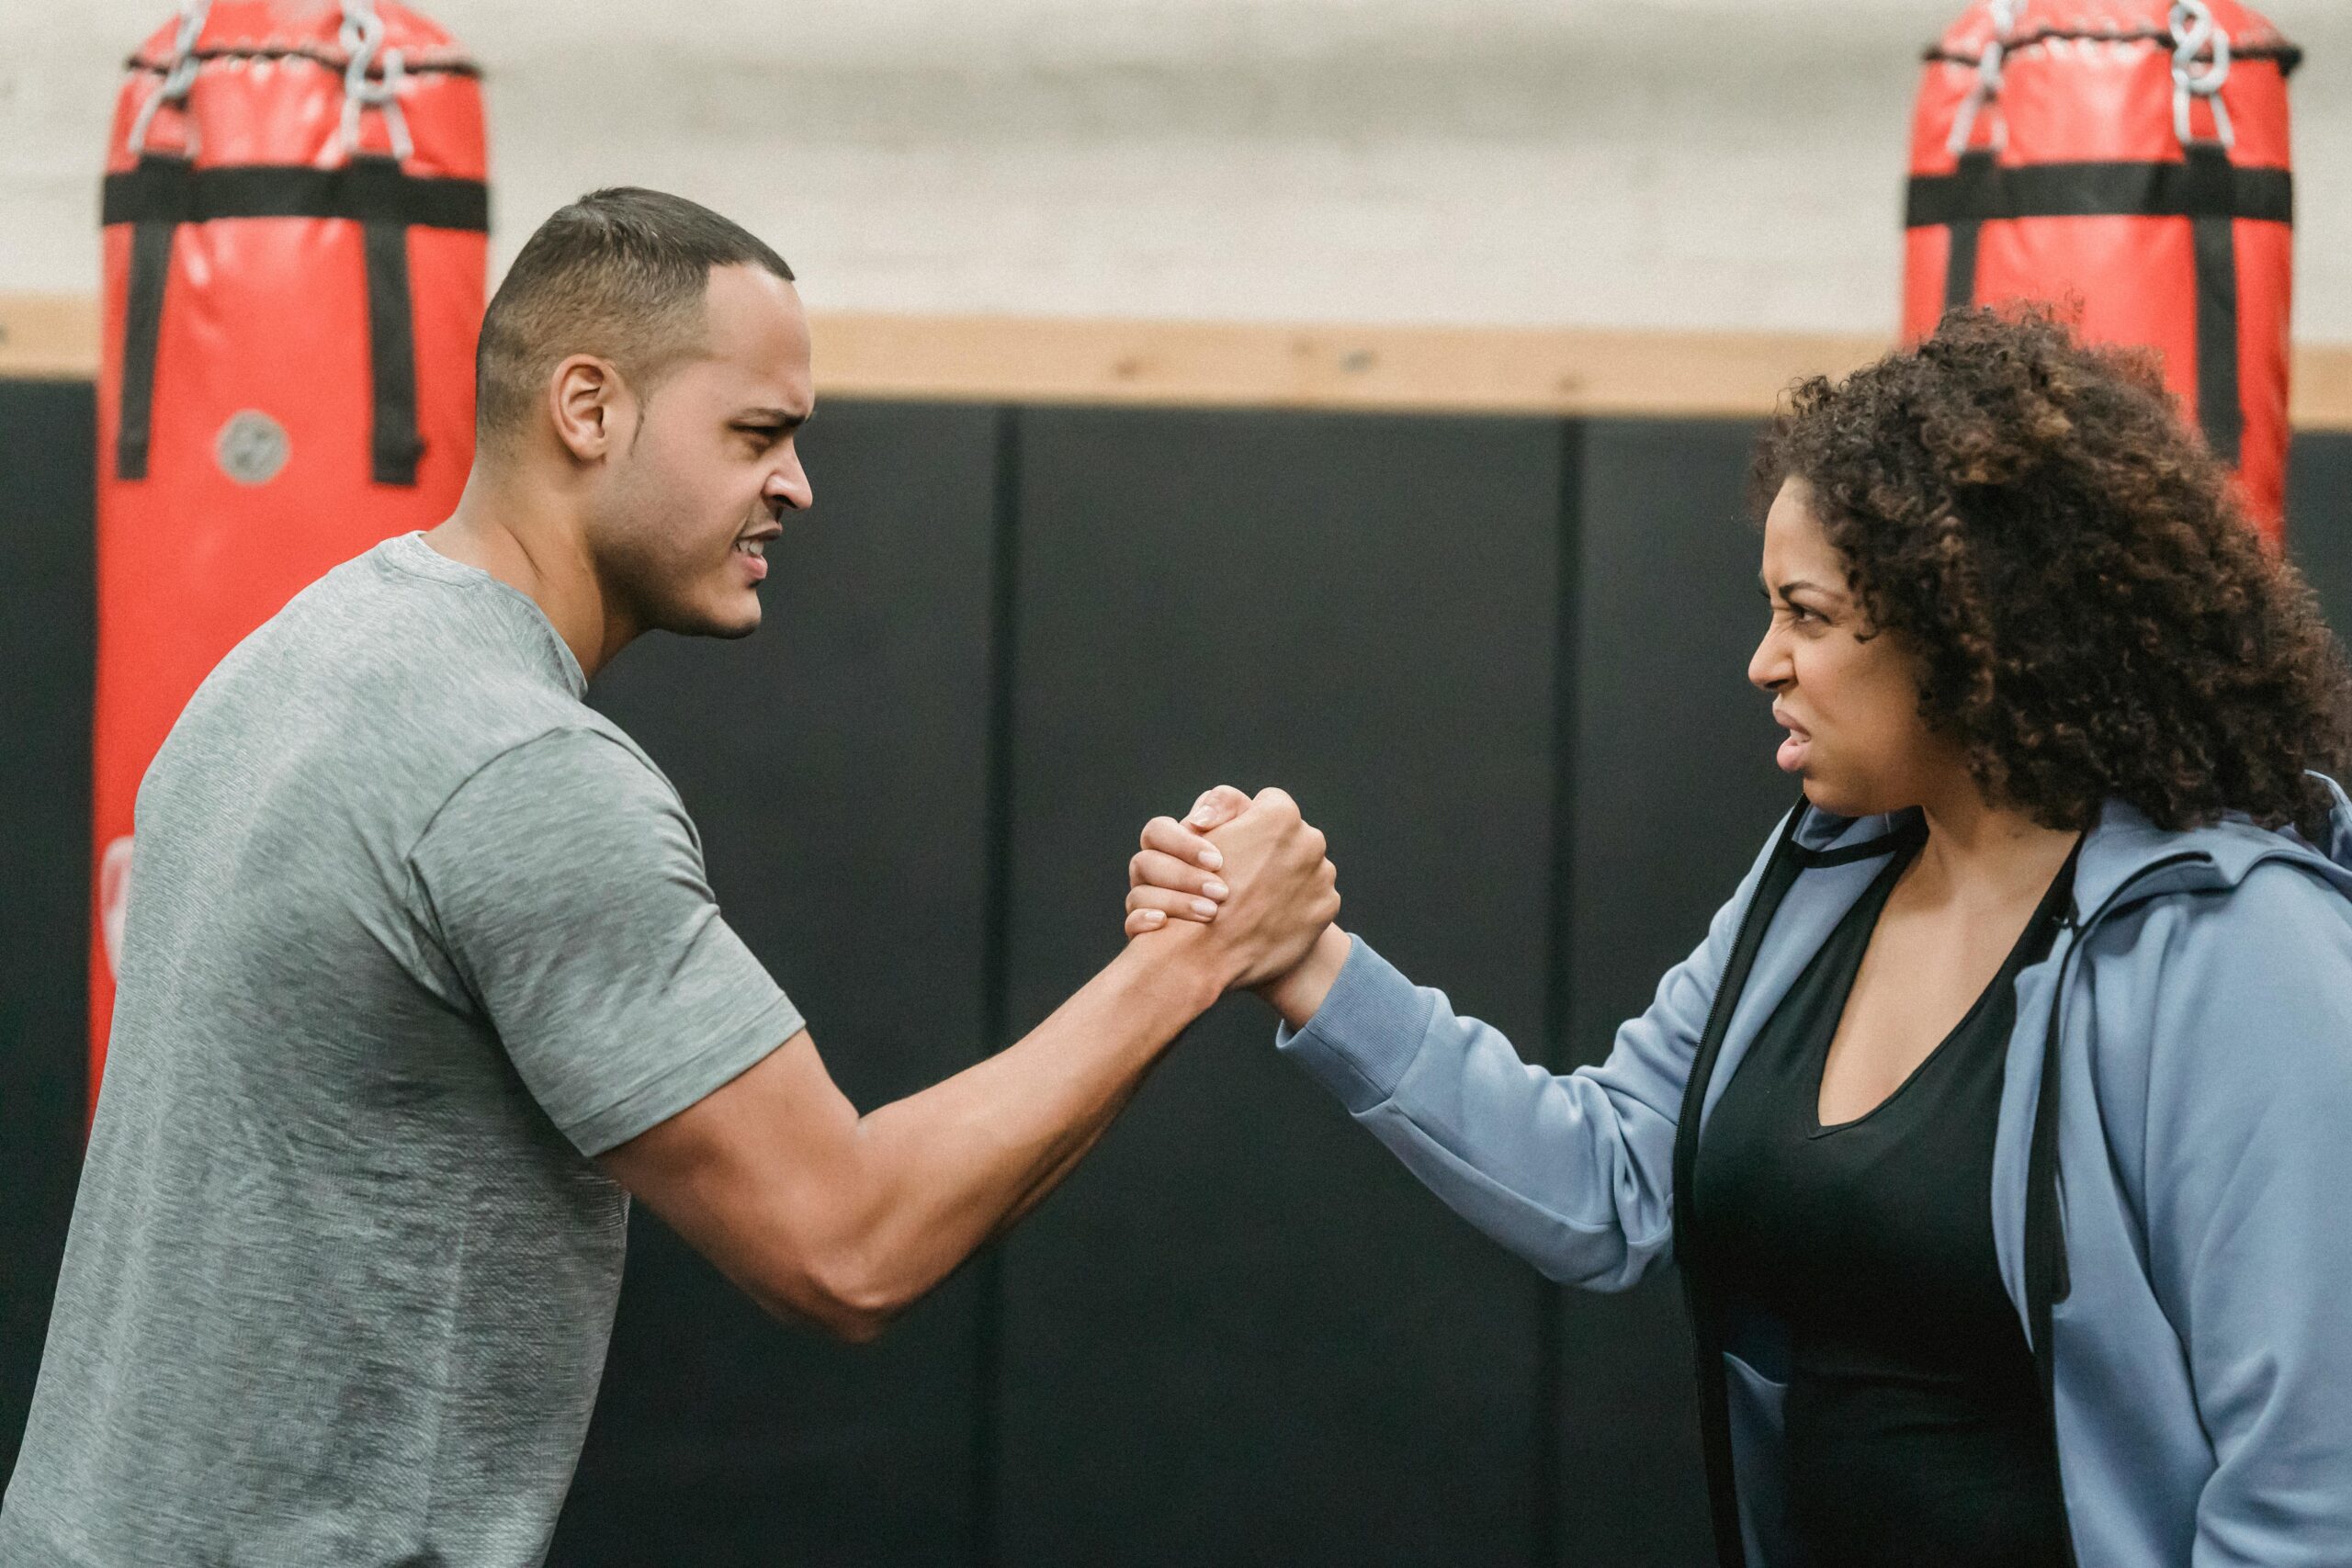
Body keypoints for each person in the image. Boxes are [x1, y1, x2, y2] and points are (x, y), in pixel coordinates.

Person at [0, 187, 1340, 1568]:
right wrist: (1199, 951)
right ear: (589, 409)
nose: (796, 485)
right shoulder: (519, 768)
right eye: (756, 434)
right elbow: (848, 1245)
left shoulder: (293, 656)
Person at [1131, 310, 2352, 1566]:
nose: (1765, 662)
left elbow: (2311, 1498)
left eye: (1806, 616)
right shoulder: (1827, 873)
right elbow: (1610, 1178)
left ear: (1972, 627)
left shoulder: (2240, 950)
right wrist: (1304, 960)